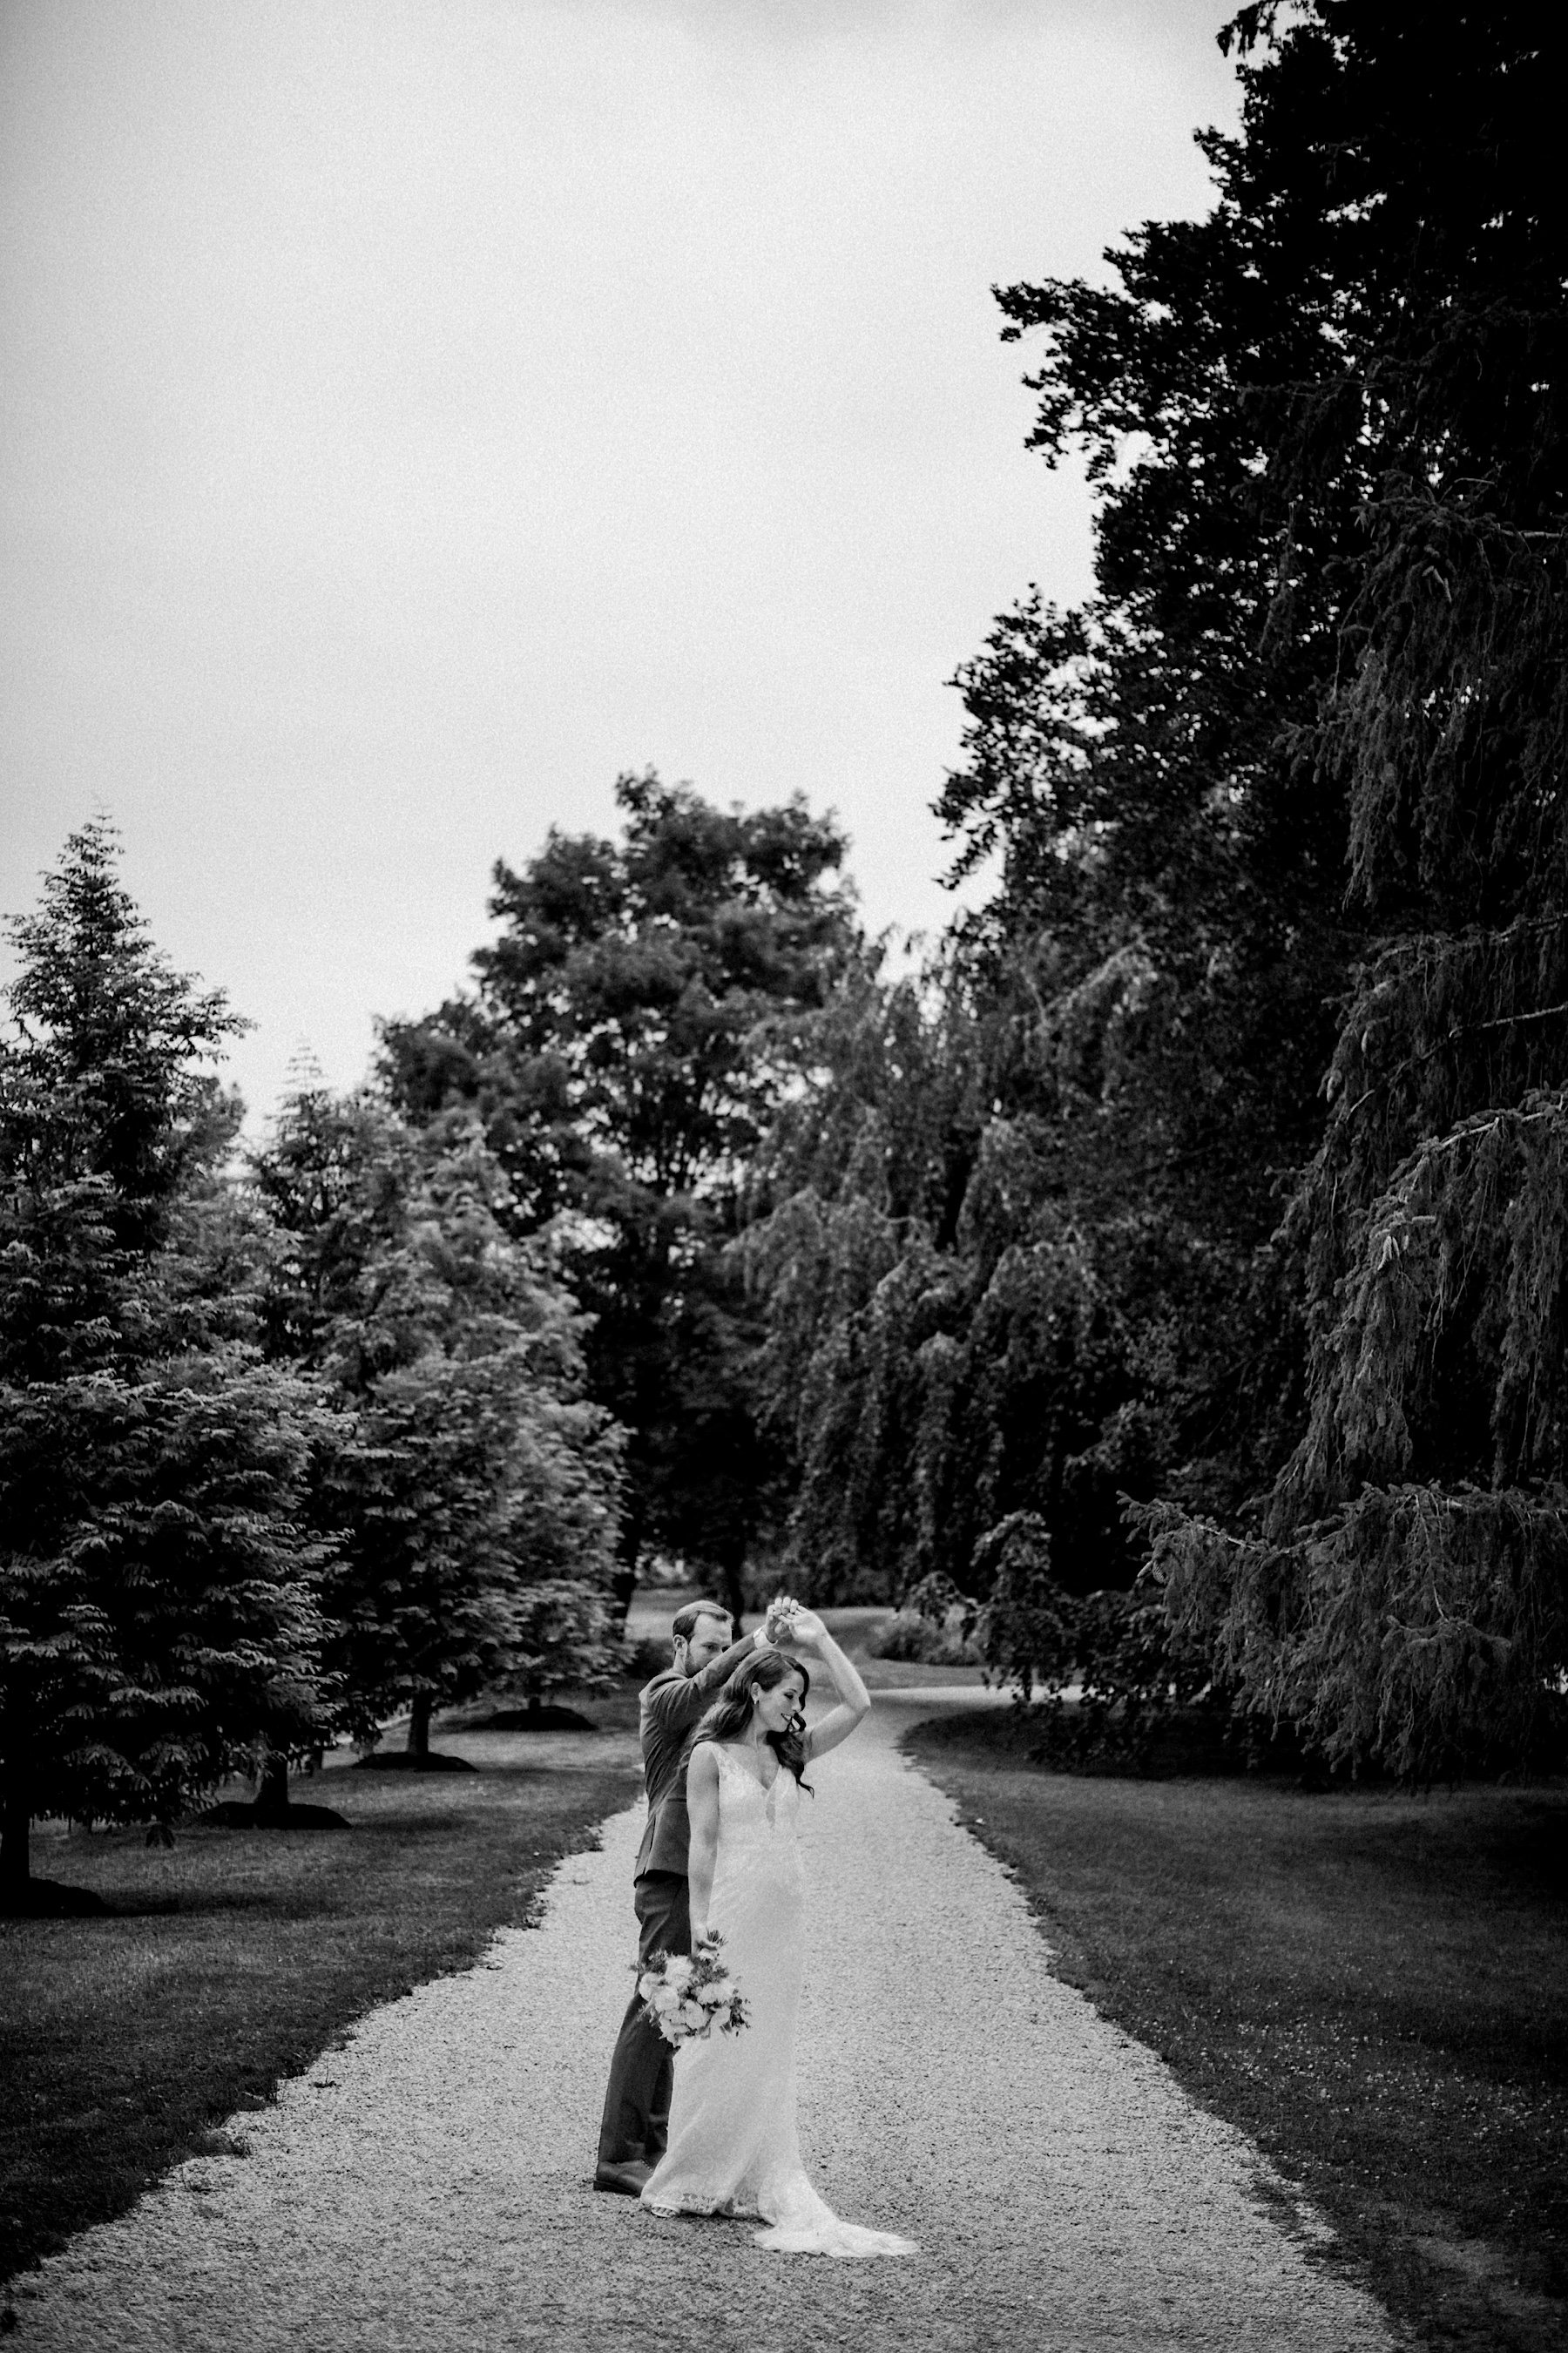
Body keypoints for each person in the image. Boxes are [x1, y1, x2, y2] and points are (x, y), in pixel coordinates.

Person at [639, 1611, 917, 2259]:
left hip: (787, 1913)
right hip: (733, 1908)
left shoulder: (794, 1750)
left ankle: (752, 2175)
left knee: (770, 2047)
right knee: (716, 2044)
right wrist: (703, 1924)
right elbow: (702, 1845)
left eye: (800, 1697)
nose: (797, 1707)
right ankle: (692, 2175)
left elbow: (861, 1701)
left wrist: (820, 1641)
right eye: (788, 1694)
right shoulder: (708, 1754)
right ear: (755, 1690)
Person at [595, 1598, 783, 2195]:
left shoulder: (709, 1707)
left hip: (700, 1874)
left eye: (723, 1643)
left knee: (675, 2013)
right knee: (652, 2006)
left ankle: (650, 2146)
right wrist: (755, 1642)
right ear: (680, 1646)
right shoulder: (664, 1692)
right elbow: (705, 1685)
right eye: (710, 1644)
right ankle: (617, 2154)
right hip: (668, 1871)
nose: (717, 1656)